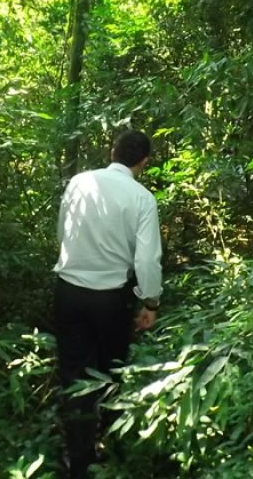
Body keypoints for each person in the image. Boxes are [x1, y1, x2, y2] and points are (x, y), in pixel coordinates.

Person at [53, 129, 163, 478]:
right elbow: (147, 260)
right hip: (110, 298)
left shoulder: (79, 182)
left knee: (74, 374)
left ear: (112, 152)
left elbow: (63, 232)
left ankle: (78, 460)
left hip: (68, 290)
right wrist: (150, 302)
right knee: (112, 370)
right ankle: (111, 447)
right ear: (144, 161)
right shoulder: (142, 198)